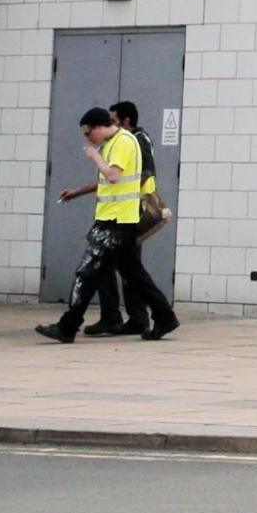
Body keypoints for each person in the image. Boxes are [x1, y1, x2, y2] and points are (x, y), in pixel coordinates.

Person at [38, 105, 175, 343]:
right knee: (134, 275)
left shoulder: (123, 141)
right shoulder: (112, 143)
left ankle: (67, 326)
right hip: (116, 219)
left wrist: (95, 156)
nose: (87, 139)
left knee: (87, 271)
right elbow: (107, 180)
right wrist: (77, 192)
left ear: (100, 127)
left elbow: (113, 176)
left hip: (116, 221)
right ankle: (165, 317)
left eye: (88, 133)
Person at [85, 100, 162, 336]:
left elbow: (130, 176)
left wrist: (129, 203)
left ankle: (131, 316)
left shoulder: (134, 141)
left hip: (128, 213)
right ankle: (140, 317)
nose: (110, 124)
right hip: (120, 212)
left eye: (114, 120)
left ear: (126, 121)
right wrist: (78, 192)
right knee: (127, 268)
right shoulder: (120, 142)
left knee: (119, 268)